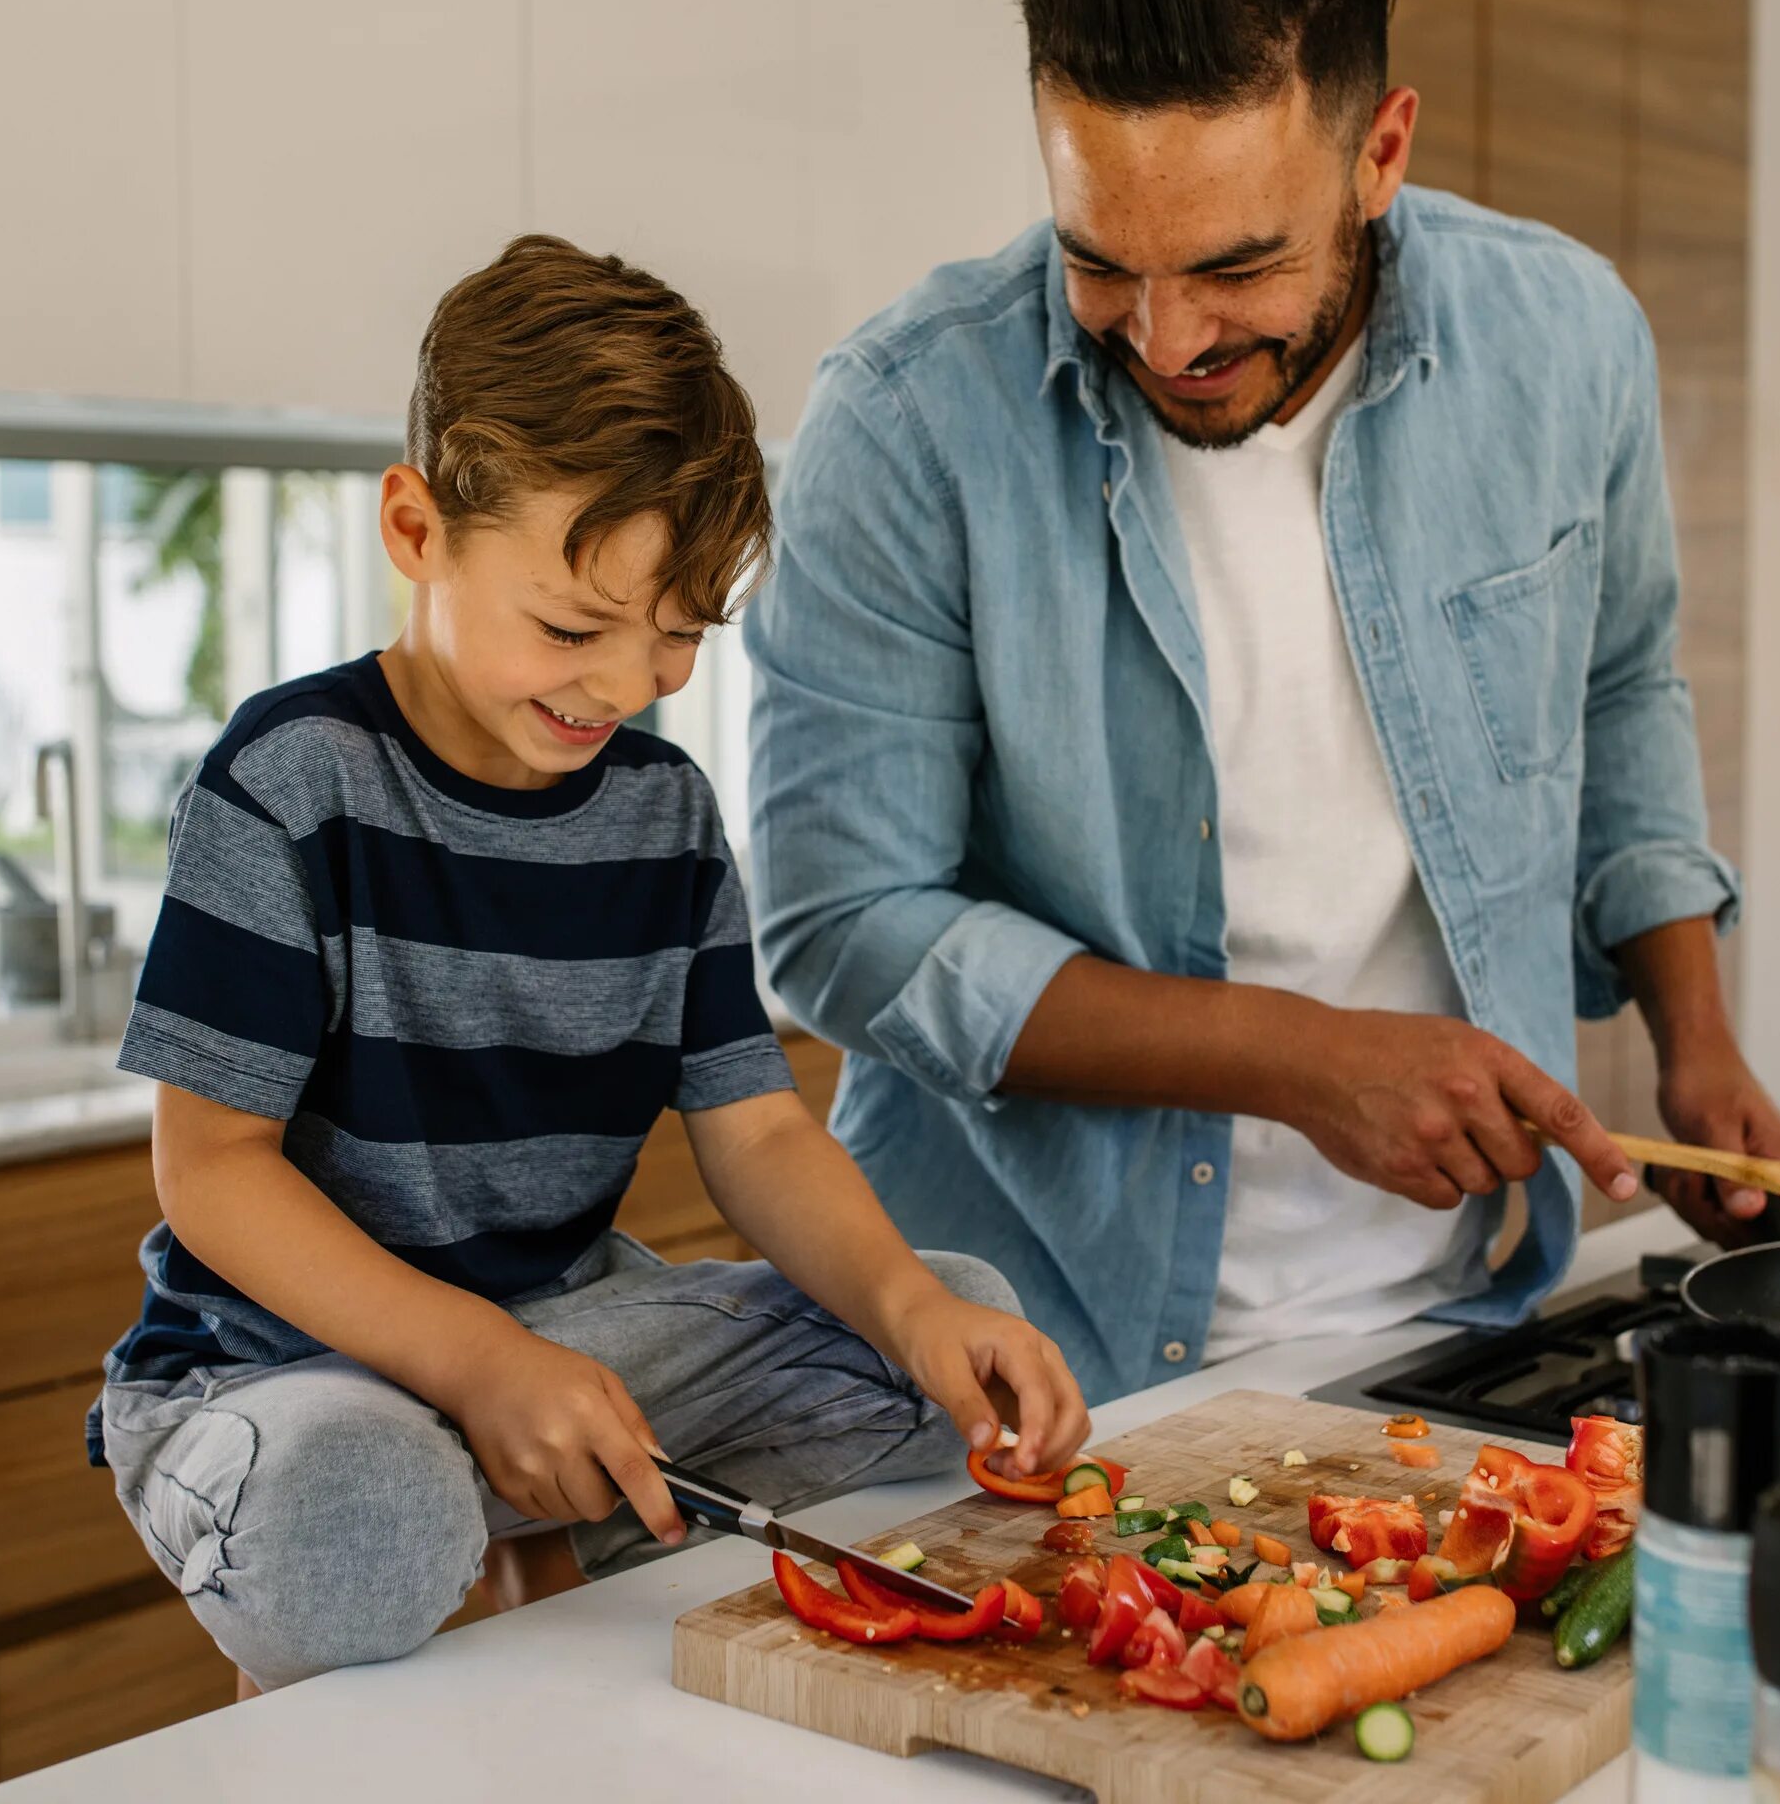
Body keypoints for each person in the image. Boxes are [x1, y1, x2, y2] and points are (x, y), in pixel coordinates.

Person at [745, 0, 1780, 1402]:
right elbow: (841, 929)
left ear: (1380, 153)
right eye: (1102, 261)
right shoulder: (905, 423)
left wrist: (1692, 1027)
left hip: (1462, 1321)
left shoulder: (1568, 339)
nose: (1167, 339)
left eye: (1237, 265)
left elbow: (1620, 685)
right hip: (1021, 1352)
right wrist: (1298, 1057)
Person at [89, 236, 1086, 1692]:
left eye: (677, 637)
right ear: (417, 529)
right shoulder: (291, 780)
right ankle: (488, 1527)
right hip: (281, 1370)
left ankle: (519, 1525)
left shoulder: (662, 812)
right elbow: (215, 1171)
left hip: (563, 1330)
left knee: (938, 1338)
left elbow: (753, 1130)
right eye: (572, 626)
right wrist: (479, 1370)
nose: (623, 687)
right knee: (360, 1505)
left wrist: (914, 1308)